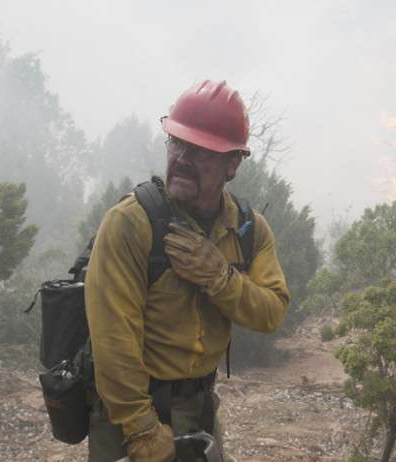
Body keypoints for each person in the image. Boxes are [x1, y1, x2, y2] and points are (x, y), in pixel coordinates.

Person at [85, 79, 291, 462]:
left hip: (200, 409)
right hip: (129, 411)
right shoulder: (131, 223)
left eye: (201, 151)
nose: (182, 158)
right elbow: (113, 339)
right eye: (177, 143)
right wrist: (141, 428)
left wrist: (221, 278)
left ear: (233, 163)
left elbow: (271, 311)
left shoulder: (250, 230)